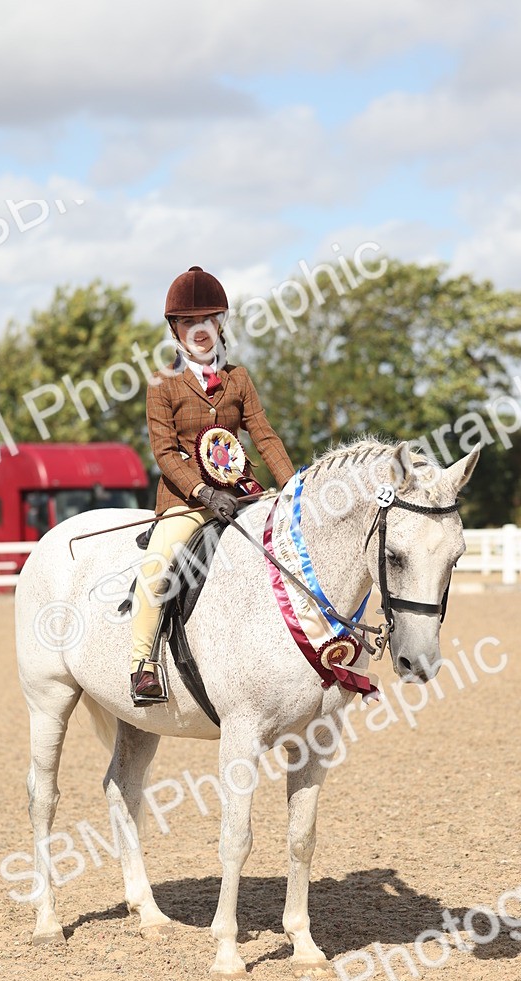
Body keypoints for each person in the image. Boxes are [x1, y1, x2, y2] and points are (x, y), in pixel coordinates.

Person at [130, 265, 295, 701]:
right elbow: (164, 453)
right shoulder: (161, 383)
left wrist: (295, 489)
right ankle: (143, 664)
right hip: (188, 501)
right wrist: (203, 492)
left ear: (219, 322)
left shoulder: (238, 378)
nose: (198, 330)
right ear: (175, 329)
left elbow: (263, 434)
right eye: (188, 322)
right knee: (159, 563)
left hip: (242, 494)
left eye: (206, 320)